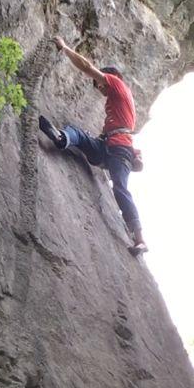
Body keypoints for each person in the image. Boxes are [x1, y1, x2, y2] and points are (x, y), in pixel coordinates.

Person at [39, 35, 147, 255]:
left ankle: (140, 239)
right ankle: (61, 138)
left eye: (99, 85)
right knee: (78, 135)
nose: (100, 89)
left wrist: (65, 48)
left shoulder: (117, 84)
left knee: (120, 188)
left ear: (111, 77)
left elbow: (86, 66)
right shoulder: (119, 104)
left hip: (119, 151)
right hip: (107, 149)